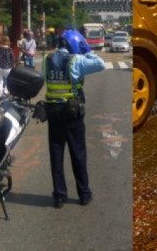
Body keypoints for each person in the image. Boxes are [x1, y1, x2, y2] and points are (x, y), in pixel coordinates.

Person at [43, 29, 104, 209]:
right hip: (71, 113)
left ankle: (59, 196)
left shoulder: (46, 60)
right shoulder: (76, 61)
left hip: (53, 111)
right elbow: (100, 64)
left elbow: (42, 78)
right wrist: (87, 51)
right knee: (78, 153)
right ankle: (84, 194)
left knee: (56, 154)